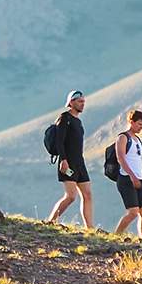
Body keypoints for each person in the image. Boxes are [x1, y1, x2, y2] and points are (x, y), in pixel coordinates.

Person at [45, 90, 93, 228]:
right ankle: (51, 221)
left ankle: (90, 228)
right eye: (79, 101)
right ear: (71, 103)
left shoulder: (78, 121)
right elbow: (60, 142)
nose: (82, 104)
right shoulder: (64, 118)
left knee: (87, 194)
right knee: (71, 196)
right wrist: (64, 160)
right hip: (68, 163)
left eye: (83, 101)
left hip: (79, 163)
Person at [112, 109, 142, 238]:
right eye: (139, 124)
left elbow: (139, 161)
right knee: (133, 212)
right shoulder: (123, 137)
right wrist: (132, 176)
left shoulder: (138, 140)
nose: (141, 127)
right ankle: (116, 236)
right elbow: (121, 158)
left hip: (139, 179)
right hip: (126, 179)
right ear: (131, 122)